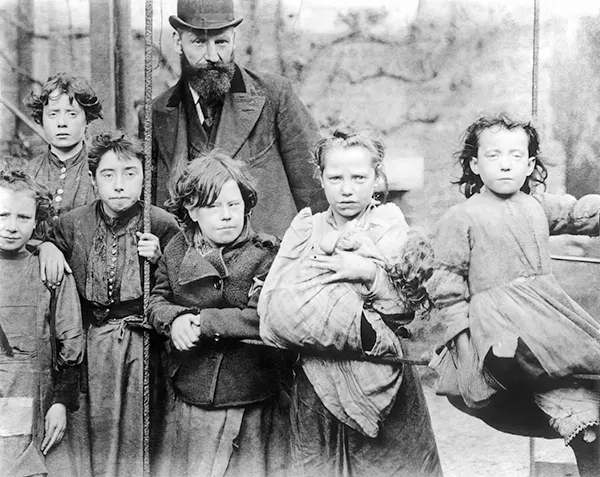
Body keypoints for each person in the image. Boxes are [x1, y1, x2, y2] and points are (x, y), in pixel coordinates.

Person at [258, 131, 443, 477]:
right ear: (321, 178)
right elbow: (279, 306)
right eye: (335, 178)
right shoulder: (306, 229)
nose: (347, 189)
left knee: (391, 466)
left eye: (359, 178)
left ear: (376, 179)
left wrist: (366, 273)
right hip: (316, 378)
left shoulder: (389, 223)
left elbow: (404, 309)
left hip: (381, 375)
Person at [425, 114, 600, 476]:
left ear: (530, 164)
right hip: (499, 328)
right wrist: (461, 344)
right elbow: (447, 287)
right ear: (475, 164)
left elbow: (578, 213)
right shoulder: (462, 217)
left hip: (546, 320)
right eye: (494, 156)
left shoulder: (536, 206)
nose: (506, 164)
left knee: (584, 388)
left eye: (516, 156)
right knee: (561, 400)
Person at [148, 151, 291, 477]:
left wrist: (204, 322)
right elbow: (157, 300)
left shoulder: (266, 253)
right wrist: (175, 319)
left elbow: (265, 318)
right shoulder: (176, 250)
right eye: (213, 206)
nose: (226, 215)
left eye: (234, 204)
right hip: (193, 391)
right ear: (192, 210)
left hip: (249, 392)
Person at [47, 132, 180, 477]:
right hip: (88, 345)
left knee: (137, 434)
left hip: (140, 347)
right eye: (108, 175)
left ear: (144, 178)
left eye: (129, 173)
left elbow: (182, 287)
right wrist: (47, 247)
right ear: (93, 180)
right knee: (90, 433)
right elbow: (46, 245)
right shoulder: (72, 223)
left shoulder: (162, 224)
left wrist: (161, 259)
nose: (119, 185)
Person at [141, 0, 326, 236]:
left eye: (221, 42)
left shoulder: (274, 96)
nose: (212, 56)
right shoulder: (156, 114)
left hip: (269, 259)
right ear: (178, 42)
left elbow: (312, 186)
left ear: (234, 39)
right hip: (192, 266)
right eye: (198, 42)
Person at [0, 170, 83, 476]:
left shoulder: (48, 269)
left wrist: (62, 402)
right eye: (2, 214)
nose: (11, 227)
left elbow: (70, 339)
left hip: (34, 404)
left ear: (37, 221)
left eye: (23, 217)